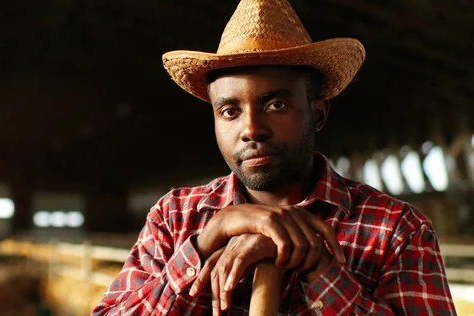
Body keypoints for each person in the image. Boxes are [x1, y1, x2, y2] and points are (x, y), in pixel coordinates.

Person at [92, 0, 457, 315]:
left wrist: (320, 268)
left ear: (317, 114)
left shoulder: (396, 229)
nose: (251, 129)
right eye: (230, 111)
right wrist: (208, 241)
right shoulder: (176, 218)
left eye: (276, 104)